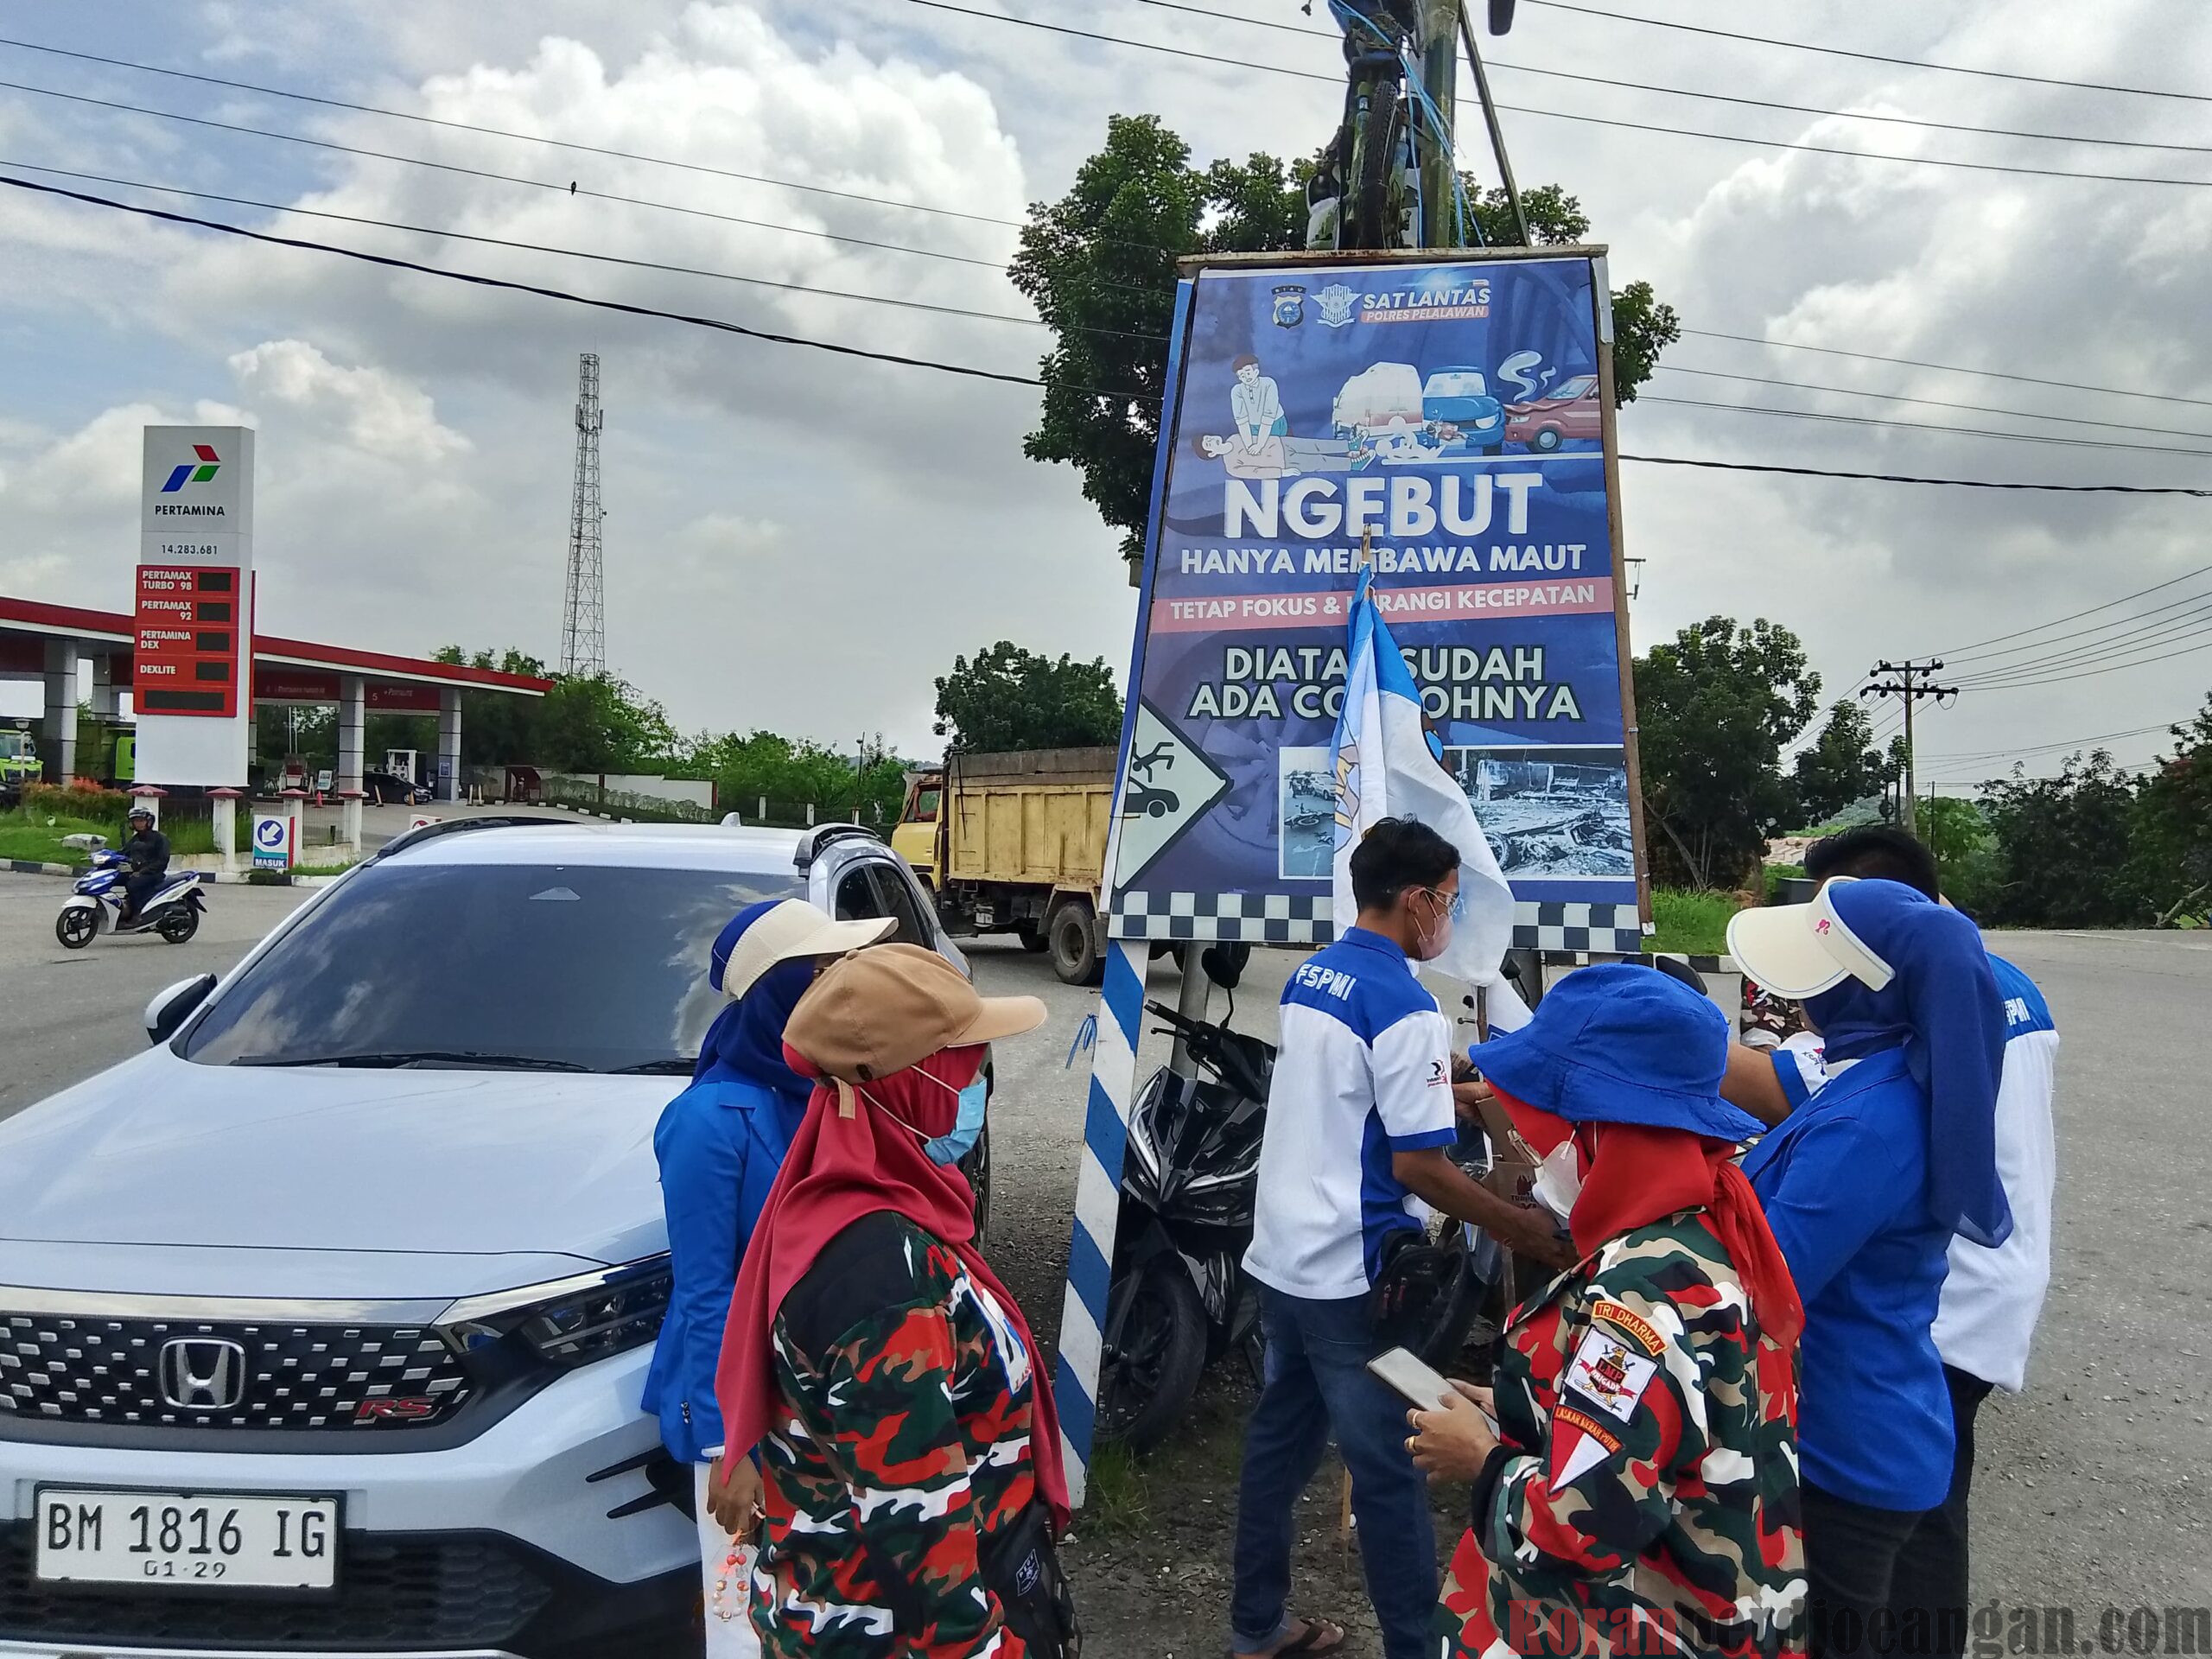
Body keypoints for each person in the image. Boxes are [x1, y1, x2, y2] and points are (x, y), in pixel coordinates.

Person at [1229, 817, 1578, 1659]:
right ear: (1417, 900)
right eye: (1449, 901)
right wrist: (1525, 1228)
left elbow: (1345, 1099)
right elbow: (1418, 1168)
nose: (1449, 918)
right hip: (1355, 1277)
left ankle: (1255, 1625)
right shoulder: (1408, 1006)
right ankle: (1417, 1646)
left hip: (1281, 1257)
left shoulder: (1312, 975)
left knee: (1278, 1444)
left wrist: (1449, 1096)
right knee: (1388, 1467)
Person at [1413, 963, 1805, 1659]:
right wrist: (1538, 1410)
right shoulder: (1706, 1225)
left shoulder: (1637, 1299)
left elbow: (1581, 1526)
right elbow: (1678, 1425)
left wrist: (1482, 1459)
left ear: (1601, 1130)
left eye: (1550, 1130)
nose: (1538, 1154)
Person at [713, 944, 1078, 1658]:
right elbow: (919, 1535)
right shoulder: (881, 1279)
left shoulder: (865, 1205)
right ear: (913, 1084)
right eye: (965, 1062)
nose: (978, 1081)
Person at [1776, 828, 2059, 1658]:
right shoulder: (1992, 986)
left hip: (1935, 1301)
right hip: (1978, 1276)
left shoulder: (1899, 1043)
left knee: (1902, 1538)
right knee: (1927, 1514)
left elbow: (1780, 1098)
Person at [1726, 878, 2011, 1659]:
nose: (1796, 997)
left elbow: (1766, 1281)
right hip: (1875, 1415)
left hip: (1846, 1448)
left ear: (1858, 989)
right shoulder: (1881, 1073)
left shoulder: (1869, 1123)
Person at [643, 899, 895, 1656]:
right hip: (746, 1409)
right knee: (743, 1617)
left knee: (821, 1607)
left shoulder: (826, 1094)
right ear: (778, 991)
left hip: (820, 1400)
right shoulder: (709, 1120)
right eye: (821, 971)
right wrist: (730, 1444)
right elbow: (706, 1292)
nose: (839, 986)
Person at [117, 804, 168, 925]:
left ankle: (137, 914)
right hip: (136, 872)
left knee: (132, 884)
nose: (139, 824)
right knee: (114, 878)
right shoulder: (135, 839)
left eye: (141, 820)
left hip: (154, 873)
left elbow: (162, 861)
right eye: (136, 821)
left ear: (149, 821)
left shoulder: (159, 838)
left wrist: (143, 871)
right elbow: (123, 853)